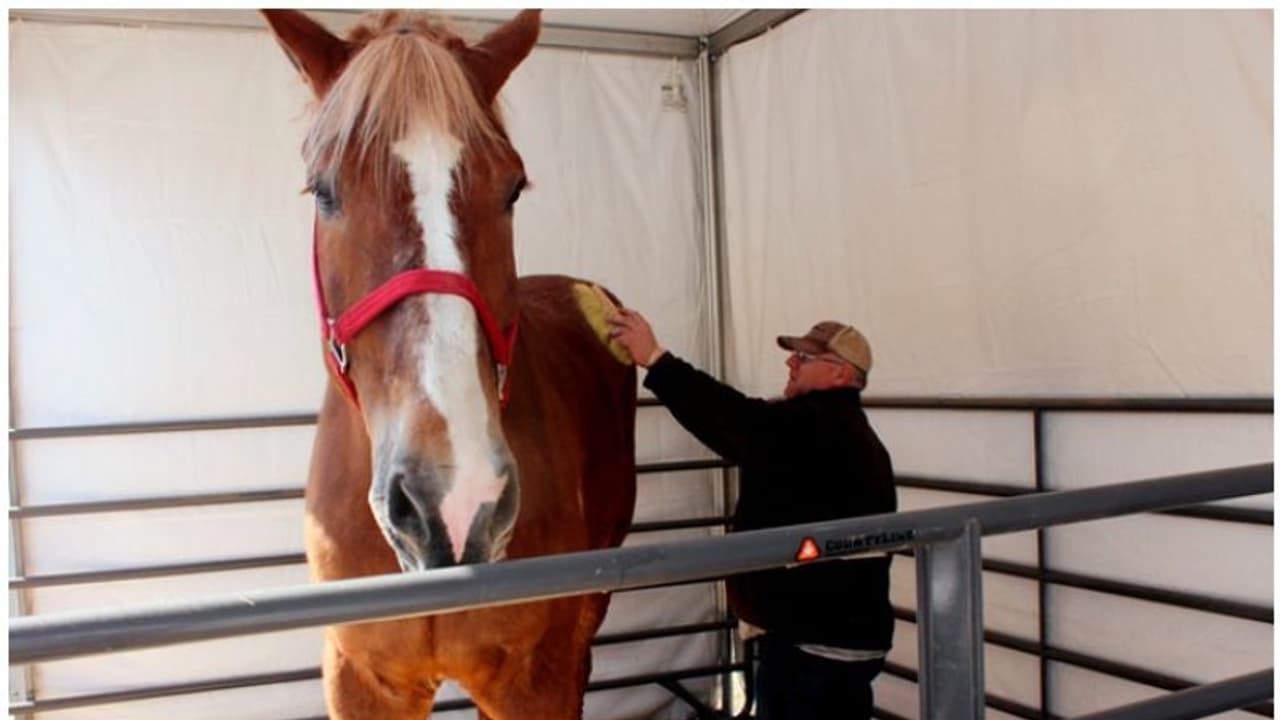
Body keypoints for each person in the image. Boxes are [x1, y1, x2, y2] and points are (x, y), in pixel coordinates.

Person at [607, 309, 896, 720]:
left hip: (812, 646)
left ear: (841, 375)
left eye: (805, 358)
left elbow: (735, 420)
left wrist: (655, 359)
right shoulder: (848, 432)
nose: (791, 363)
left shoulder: (817, 427)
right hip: (843, 639)